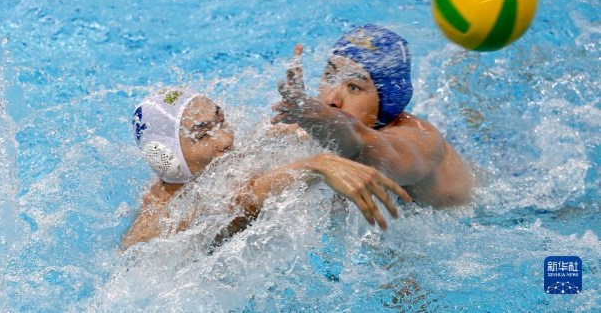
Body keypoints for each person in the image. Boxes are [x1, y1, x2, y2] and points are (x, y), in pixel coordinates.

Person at [122, 87, 410, 249]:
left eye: (221, 121)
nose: (226, 139)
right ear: (166, 156)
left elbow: (276, 133)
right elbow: (241, 198)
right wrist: (316, 165)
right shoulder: (161, 222)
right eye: (203, 134)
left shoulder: (214, 166)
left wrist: (316, 118)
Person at [271, 25, 474, 208]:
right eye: (330, 77)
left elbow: (359, 144)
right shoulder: (307, 117)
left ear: (387, 101)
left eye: (354, 87)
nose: (332, 99)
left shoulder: (420, 143)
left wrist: (315, 116)